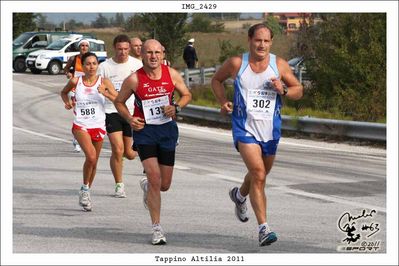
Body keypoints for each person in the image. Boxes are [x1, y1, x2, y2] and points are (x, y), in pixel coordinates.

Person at [211, 23, 303, 246]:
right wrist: (223, 102)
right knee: (259, 174)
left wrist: (284, 90)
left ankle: (240, 195)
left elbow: (298, 90)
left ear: (271, 43)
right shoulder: (236, 63)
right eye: (257, 40)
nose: (262, 45)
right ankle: (264, 228)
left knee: (258, 175)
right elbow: (216, 80)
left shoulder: (278, 64)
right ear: (250, 40)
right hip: (244, 128)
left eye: (266, 41)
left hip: (270, 130)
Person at [114, 39, 192, 245]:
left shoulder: (171, 74)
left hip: (167, 131)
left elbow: (186, 94)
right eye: (149, 52)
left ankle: (148, 187)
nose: (154, 56)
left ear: (163, 54)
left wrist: (176, 107)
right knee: (155, 177)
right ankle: (157, 228)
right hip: (145, 132)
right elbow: (118, 102)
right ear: (142, 55)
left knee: (164, 185)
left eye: (158, 52)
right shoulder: (134, 79)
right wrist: (130, 119)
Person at [61, 52, 118, 211]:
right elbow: (63, 92)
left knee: (94, 162)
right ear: (82, 66)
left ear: (97, 65)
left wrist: (104, 92)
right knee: (91, 156)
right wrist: (67, 103)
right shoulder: (75, 81)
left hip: (99, 125)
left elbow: (118, 98)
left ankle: (86, 190)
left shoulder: (104, 81)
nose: (91, 67)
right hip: (81, 125)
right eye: (88, 64)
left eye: (94, 63)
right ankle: (85, 190)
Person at [97, 34, 143, 198]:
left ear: (129, 48)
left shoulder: (137, 65)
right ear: (114, 48)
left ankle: (140, 152)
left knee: (129, 154)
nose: (122, 52)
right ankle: (119, 185)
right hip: (112, 111)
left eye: (125, 49)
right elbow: (102, 90)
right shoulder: (104, 67)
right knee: (117, 149)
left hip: (131, 112)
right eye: (119, 49)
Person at [63, 39, 91, 152]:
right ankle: (77, 139)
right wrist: (68, 73)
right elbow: (65, 69)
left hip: (88, 89)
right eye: (82, 46)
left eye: (86, 46)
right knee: (78, 113)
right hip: (75, 89)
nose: (84, 47)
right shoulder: (74, 58)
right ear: (79, 47)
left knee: (88, 114)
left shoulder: (91, 58)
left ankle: (85, 136)